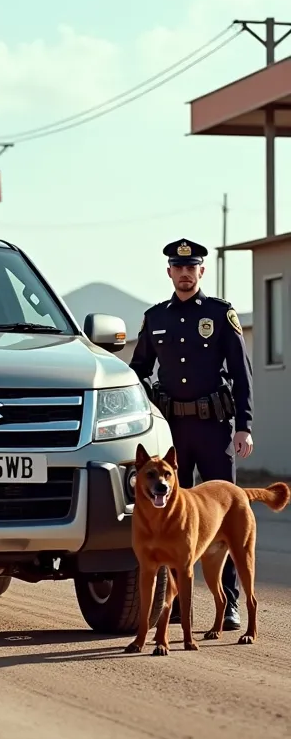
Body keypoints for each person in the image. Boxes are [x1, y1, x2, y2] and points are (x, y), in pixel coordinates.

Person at [129, 238, 253, 630]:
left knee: (223, 522)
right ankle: (177, 604)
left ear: (201, 271)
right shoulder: (155, 318)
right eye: (177, 268)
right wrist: (145, 405)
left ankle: (229, 603)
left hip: (214, 428)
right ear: (169, 272)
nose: (185, 273)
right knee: (172, 521)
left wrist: (244, 426)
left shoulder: (219, 314)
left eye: (192, 267)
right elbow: (139, 369)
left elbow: (241, 371)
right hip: (172, 435)